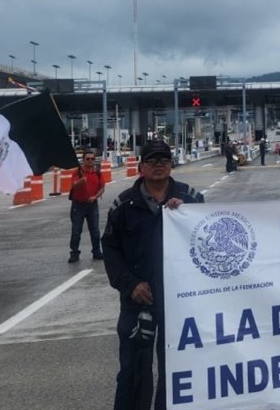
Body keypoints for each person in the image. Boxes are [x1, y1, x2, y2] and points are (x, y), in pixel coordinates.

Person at [101, 139, 204, 410]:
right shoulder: (123, 205)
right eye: (152, 160)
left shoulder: (191, 199)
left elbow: (210, 240)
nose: (158, 165)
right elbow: (110, 249)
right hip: (138, 303)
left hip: (180, 304)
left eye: (164, 160)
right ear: (141, 167)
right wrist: (130, 284)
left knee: (178, 371)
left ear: (171, 164)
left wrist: (189, 215)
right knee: (133, 373)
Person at [68, 152, 105, 263]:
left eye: (92, 159)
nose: (90, 161)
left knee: (95, 230)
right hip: (78, 205)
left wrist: (94, 197)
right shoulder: (78, 172)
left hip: (92, 205)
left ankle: (96, 251)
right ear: (83, 160)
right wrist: (81, 181)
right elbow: (73, 185)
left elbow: (102, 188)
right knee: (76, 230)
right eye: (88, 159)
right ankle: (74, 253)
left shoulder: (97, 172)